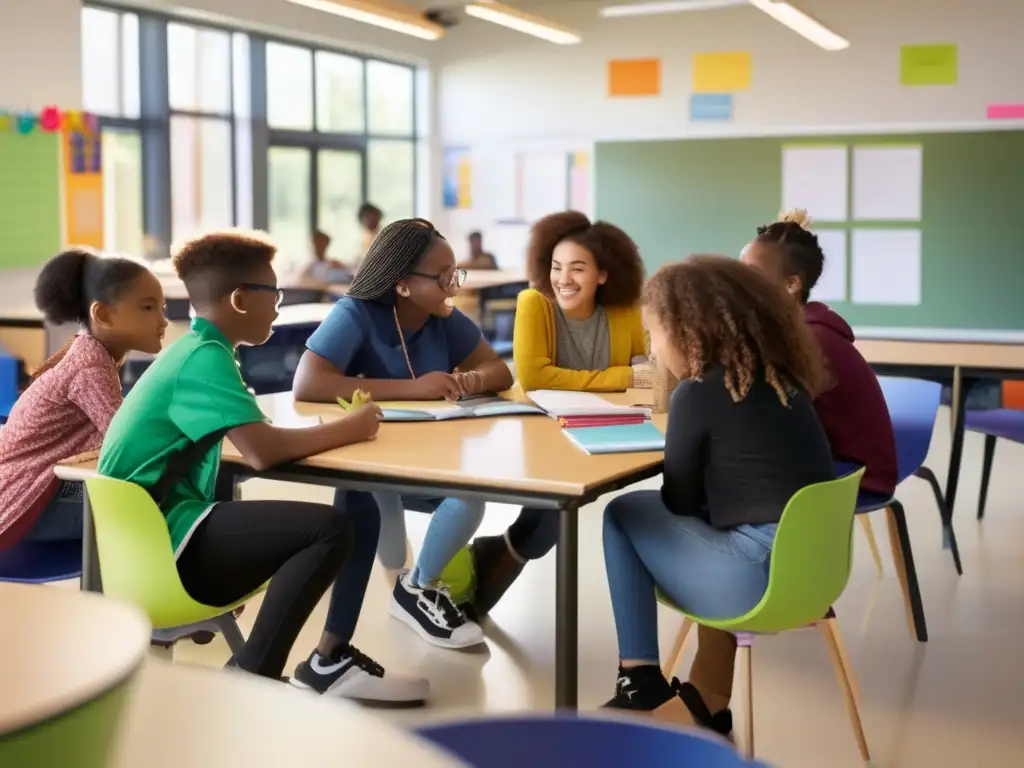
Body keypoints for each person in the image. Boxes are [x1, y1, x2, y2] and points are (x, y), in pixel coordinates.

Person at [98, 231, 428, 705]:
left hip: (142, 542)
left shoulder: (196, 351)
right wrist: (353, 427)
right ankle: (255, 679)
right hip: (163, 542)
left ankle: (271, 669)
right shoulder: (204, 359)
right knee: (329, 529)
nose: (278, 304)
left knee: (323, 523)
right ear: (238, 299)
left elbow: (252, 442)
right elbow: (262, 451)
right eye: (272, 294)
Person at [662, 208, 905, 730]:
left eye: (752, 275)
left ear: (791, 286)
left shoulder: (806, 341)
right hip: (830, 478)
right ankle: (709, 684)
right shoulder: (799, 331)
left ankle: (707, 682)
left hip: (844, 474)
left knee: (706, 501)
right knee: (714, 489)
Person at [600, 255, 834, 729]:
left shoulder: (698, 391)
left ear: (687, 331)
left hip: (754, 579)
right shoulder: (784, 380)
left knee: (623, 513)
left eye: (655, 334)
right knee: (711, 523)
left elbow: (678, 501)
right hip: (816, 574)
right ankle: (706, 701)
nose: (653, 347)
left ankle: (638, 679)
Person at [293, 218, 514, 650]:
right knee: (383, 516)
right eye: (443, 276)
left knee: (469, 495)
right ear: (402, 285)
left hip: (430, 456)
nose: (454, 285)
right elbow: (310, 382)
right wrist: (415, 388)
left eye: (456, 273)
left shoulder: (445, 319)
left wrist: (468, 380)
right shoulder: (354, 313)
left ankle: (418, 586)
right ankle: (399, 595)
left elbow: (498, 370)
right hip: (373, 458)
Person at [459, 211, 650, 621]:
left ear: (603, 274)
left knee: (557, 515)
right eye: (557, 267)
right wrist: (620, 377)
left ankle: (499, 552)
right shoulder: (535, 304)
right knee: (552, 517)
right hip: (543, 432)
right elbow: (534, 376)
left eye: (578, 269)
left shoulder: (624, 311)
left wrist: (619, 378)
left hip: (605, 431)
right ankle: (498, 556)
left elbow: (647, 372)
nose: (564, 279)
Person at [0, 249, 167, 550]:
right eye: (147, 308)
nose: (163, 321)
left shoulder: (90, 355)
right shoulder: (90, 367)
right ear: (102, 314)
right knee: (163, 503)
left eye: (162, 307)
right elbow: (129, 442)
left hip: (36, 491)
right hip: (23, 502)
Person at [353, 203, 383, 270]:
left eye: (375, 217)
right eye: (368, 217)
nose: (372, 220)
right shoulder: (360, 238)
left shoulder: (384, 236)